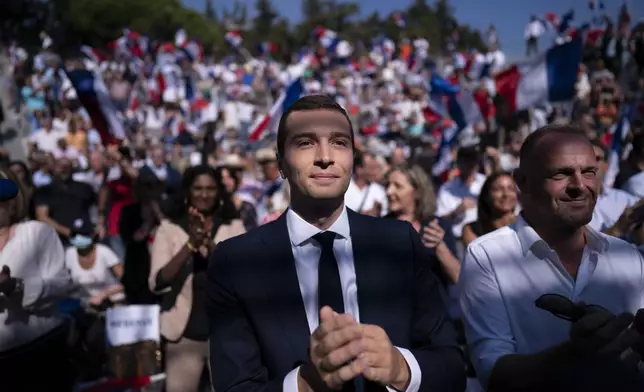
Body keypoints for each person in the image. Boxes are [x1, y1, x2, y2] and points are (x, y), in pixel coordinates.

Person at [207, 95, 465, 392]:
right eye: (305, 143)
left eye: (339, 142)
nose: (325, 156)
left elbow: (451, 367)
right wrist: (306, 382)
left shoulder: (400, 243)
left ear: (353, 160)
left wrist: (399, 368)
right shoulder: (235, 262)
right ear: (280, 165)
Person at [459, 125, 644, 391]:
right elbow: (494, 375)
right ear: (522, 181)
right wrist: (572, 355)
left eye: (589, 172)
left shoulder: (628, 257)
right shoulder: (487, 256)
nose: (580, 186)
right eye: (562, 173)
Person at [150, 165, 245, 392]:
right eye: (198, 188)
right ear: (187, 191)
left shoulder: (234, 227)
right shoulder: (169, 229)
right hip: (183, 337)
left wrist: (209, 243)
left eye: (211, 189)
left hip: (226, 336)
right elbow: (158, 281)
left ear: (219, 192)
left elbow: (239, 276)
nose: (204, 194)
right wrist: (191, 243)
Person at [0, 169, 74, 391]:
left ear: (12, 203)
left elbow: (62, 285)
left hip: (39, 350)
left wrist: (15, 286)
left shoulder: (36, 233)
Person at [462, 172, 518, 247]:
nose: (506, 194)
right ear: (486, 195)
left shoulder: (527, 224)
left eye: (511, 189)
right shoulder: (472, 229)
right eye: (498, 189)